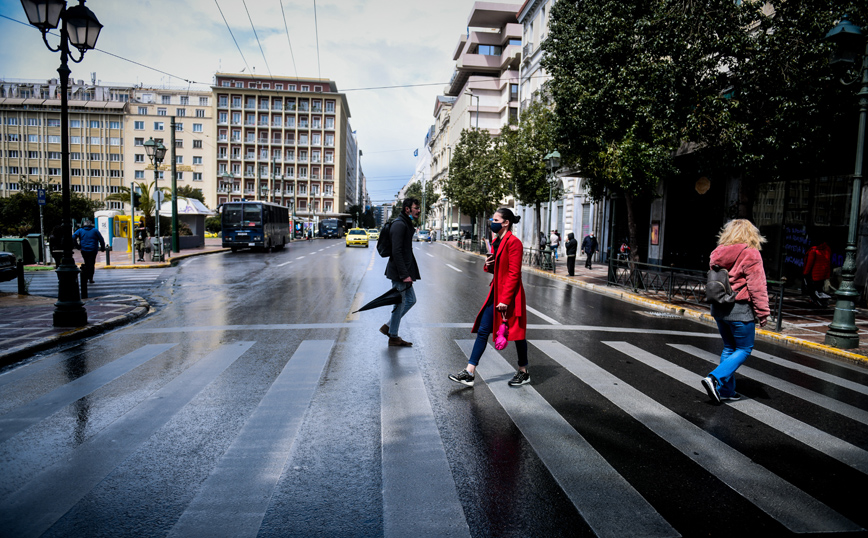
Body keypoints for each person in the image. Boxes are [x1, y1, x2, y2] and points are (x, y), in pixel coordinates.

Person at [449, 207, 530, 388]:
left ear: (506, 222)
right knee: (483, 330)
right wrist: (488, 264)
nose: (491, 222)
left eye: (495, 220)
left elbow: (514, 273)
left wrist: (506, 300)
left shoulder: (514, 242)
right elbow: (496, 269)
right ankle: (469, 372)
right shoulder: (497, 241)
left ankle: (523, 371)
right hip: (496, 293)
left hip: (510, 295)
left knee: (517, 334)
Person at [701, 219, 770, 404]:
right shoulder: (751, 253)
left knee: (729, 348)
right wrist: (763, 313)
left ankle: (727, 391)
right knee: (744, 348)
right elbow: (757, 286)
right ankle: (715, 378)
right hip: (739, 308)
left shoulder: (717, 253)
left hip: (719, 308)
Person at [379, 198, 421, 347]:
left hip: (403, 271)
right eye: (416, 207)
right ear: (407, 209)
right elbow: (396, 252)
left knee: (410, 300)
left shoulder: (406, 223)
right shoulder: (399, 224)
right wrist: (404, 275)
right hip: (399, 273)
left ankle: (389, 327)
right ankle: (394, 336)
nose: (419, 210)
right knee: (400, 303)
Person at [73, 218, 105, 284]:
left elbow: (73, 238)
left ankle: (85, 275)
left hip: (84, 249)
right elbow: (101, 239)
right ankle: (90, 278)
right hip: (93, 249)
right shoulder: (95, 230)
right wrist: (102, 248)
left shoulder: (80, 230)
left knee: (86, 262)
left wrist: (78, 246)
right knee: (92, 263)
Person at [803, 239, 831, 307]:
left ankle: (815, 300)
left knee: (812, 288)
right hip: (823, 273)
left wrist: (805, 273)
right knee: (819, 288)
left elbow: (809, 263)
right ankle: (820, 300)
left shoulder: (813, 250)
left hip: (814, 274)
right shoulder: (827, 249)